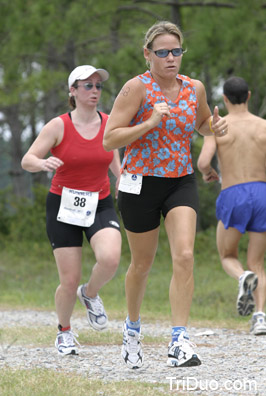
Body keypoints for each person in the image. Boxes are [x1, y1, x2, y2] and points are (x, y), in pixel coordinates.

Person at [103, 20, 228, 369]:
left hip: (180, 180)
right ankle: (131, 330)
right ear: (148, 55)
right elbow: (109, 139)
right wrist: (147, 124)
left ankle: (179, 339)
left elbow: (201, 123)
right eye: (163, 52)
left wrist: (212, 128)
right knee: (142, 264)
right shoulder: (135, 89)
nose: (171, 58)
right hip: (141, 183)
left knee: (185, 255)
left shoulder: (194, 87)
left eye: (176, 51)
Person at [21, 65, 122, 355]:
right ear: (73, 91)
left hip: (99, 201)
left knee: (110, 258)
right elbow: (28, 159)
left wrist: (121, 179)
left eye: (98, 86)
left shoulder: (108, 123)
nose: (94, 91)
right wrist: (42, 164)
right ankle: (64, 331)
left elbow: (113, 156)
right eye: (87, 85)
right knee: (68, 279)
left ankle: (90, 295)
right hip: (63, 205)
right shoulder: (58, 126)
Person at [197, 76, 266, 335]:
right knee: (257, 262)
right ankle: (260, 317)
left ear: (224, 99)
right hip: (262, 192)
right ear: (248, 96)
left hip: (233, 193)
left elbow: (204, 162)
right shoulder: (263, 126)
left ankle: (241, 278)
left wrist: (208, 173)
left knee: (228, 255)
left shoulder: (218, 125)